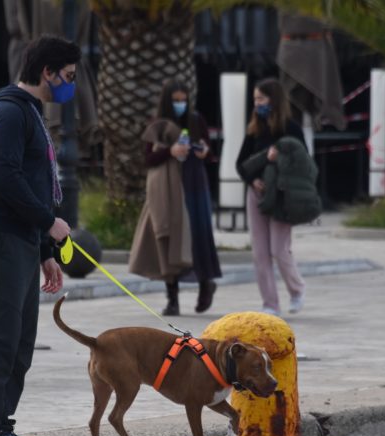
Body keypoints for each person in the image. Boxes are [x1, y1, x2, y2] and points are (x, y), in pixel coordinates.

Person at [0, 35, 80, 436]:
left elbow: (32, 181)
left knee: (20, 341)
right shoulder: (10, 111)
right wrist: (51, 222)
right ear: (46, 72)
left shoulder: (30, 112)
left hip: (23, 238)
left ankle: (0, 427)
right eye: (66, 77)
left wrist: (46, 249)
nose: (70, 86)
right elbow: (6, 176)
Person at [129, 79, 222, 315]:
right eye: (176, 100)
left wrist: (203, 151)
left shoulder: (195, 120)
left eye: (184, 100)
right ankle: (173, 298)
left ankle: (205, 284)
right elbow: (148, 159)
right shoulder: (158, 124)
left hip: (193, 185)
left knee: (197, 238)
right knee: (168, 241)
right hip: (168, 190)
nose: (180, 104)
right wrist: (169, 151)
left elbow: (209, 152)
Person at [236, 77, 310, 316]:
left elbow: (303, 164)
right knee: (260, 251)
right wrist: (252, 180)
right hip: (256, 195)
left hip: (281, 197)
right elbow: (240, 163)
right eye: (255, 99)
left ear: (274, 99)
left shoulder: (291, 129)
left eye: (261, 98)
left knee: (279, 249)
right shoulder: (254, 130)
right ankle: (270, 303)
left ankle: (297, 289)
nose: (257, 104)